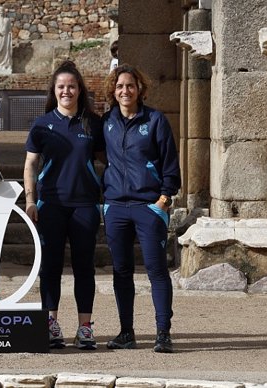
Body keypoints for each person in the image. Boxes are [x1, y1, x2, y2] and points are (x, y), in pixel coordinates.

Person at [23, 60, 105, 350]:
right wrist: (30, 200)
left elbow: (110, 162)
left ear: (80, 89)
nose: (66, 91)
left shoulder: (93, 124)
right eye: (61, 86)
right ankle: (51, 324)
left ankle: (85, 327)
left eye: (71, 86)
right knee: (50, 267)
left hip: (84, 206)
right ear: (54, 91)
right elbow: (31, 164)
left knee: (84, 268)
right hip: (51, 205)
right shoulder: (42, 125)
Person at [101, 64, 181, 353]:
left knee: (156, 270)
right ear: (113, 89)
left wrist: (163, 199)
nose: (125, 91)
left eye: (130, 86)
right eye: (120, 86)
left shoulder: (155, 120)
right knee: (121, 271)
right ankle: (126, 333)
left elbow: (170, 164)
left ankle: (163, 333)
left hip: (149, 206)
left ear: (139, 89)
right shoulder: (106, 122)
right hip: (116, 207)